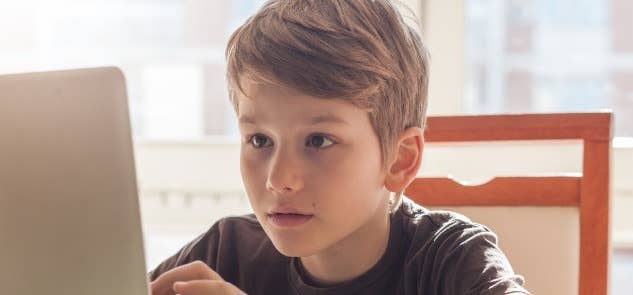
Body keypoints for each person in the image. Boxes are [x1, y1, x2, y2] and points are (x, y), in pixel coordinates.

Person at [148, 1, 529, 294]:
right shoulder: (224, 252)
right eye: (259, 140)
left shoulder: (454, 261)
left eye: (319, 141)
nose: (279, 180)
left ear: (400, 159)